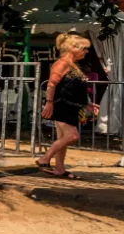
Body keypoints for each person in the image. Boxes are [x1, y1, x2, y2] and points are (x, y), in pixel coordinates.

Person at [38, 33, 96, 179]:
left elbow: (72, 88)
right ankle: (44, 159)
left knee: (63, 139)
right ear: (72, 49)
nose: (86, 51)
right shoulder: (62, 63)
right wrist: (49, 103)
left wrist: (86, 103)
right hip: (62, 105)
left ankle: (59, 168)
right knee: (72, 136)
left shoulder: (72, 65)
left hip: (70, 106)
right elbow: (51, 85)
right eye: (83, 48)